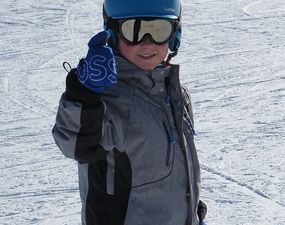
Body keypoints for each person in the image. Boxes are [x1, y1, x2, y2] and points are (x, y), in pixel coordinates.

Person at [52, 0, 207, 224]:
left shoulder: (174, 94)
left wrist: (191, 212)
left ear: (174, 35)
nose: (147, 43)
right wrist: (84, 94)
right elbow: (75, 143)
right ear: (113, 34)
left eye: (158, 31)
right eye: (134, 30)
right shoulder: (108, 98)